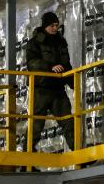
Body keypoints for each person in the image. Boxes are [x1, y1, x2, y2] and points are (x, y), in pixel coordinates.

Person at [24, 11, 74, 152]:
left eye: (57, 25)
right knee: (36, 126)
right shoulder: (34, 43)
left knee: (68, 123)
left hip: (58, 89)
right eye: (52, 25)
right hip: (41, 89)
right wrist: (50, 67)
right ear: (45, 26)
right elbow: (32, 63)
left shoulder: (61, 42)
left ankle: (80, 157)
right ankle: (25, 162)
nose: (55, 28)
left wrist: (73, 82)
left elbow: (67, 65)